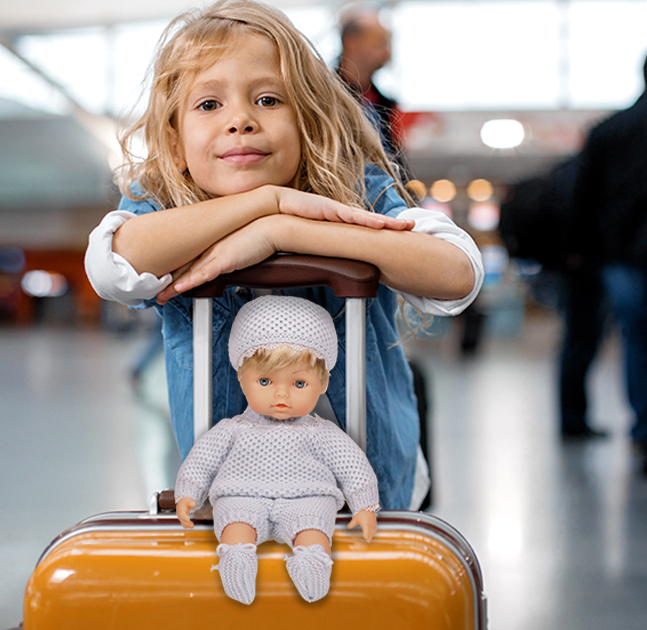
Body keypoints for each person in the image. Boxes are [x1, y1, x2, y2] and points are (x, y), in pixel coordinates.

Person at [84, 0, 483, 512]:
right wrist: (265, 203)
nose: (241, 121)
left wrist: (287, 230)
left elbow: (457, 272)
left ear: (309, 121)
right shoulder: (165, 201)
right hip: (238, 500)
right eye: (209, 105)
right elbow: (112, 267)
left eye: (269, 99)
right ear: (176, 144)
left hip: (372, 495)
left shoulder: (354, 187)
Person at [172, 295, 379, 605]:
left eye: (299, 384)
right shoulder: (232, 430)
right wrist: (188, 493)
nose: (281, 394)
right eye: (265, 380)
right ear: (242, 378)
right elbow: (201, 461)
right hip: (243, 494)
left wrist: (364, 505)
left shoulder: (322, 433)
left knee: (313, 528)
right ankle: (236, 559)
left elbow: (353, 466)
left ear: (322, 383)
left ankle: (312, 563)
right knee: (235, 521)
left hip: (307, 497)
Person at [569, 51, 647, 446]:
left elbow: (584, 194)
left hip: (618, 253)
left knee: (636, 337)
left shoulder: (609, 129)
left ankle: (643, 422)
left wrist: (581, 247)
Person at [336, 6, 403, 163]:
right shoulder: (325, 97)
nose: (387, 52)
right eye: (380, 43)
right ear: (351, 43)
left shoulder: (383, 102)